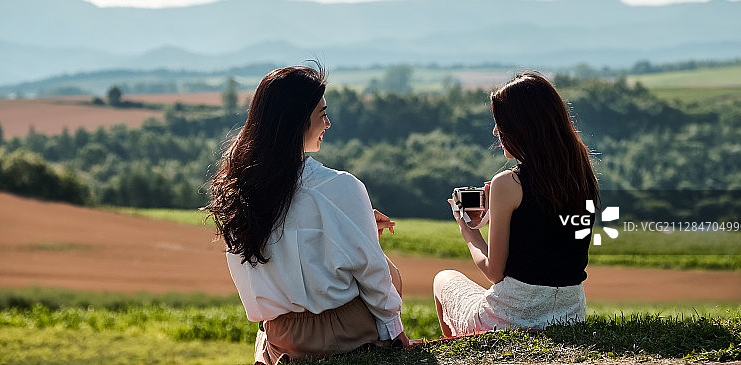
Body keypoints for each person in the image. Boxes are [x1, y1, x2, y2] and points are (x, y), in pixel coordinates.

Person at [205, 65, 409, 364]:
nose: (328, 123)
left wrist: (356, 228)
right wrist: (395, 333)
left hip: (280, 333)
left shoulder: (239, 191)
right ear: (299, 121)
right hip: (342, 331)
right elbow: (373, 273)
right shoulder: (339, 187)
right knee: (392, 274)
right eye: (322, 114)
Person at [433, 70, 599, 336]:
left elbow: (494, 272)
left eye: (501, 122)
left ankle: (463, 353)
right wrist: (495, 212)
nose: (496, 131)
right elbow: (548, 239)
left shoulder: (508, 183)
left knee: (443, 279)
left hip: (510, 318)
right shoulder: (583, 177)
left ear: (522, 127)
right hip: (570, 314)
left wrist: (469, 230)